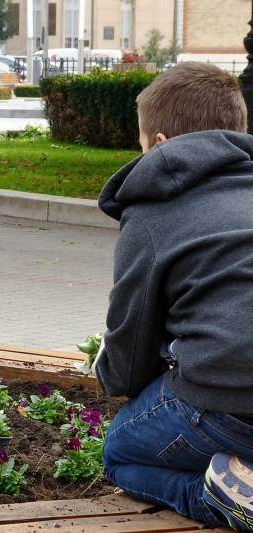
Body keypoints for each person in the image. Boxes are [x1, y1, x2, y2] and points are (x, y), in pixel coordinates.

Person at [95, 61, 253, 532]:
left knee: (118, 455)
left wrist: (109, 374)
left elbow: (128, 356)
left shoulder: (151, 213)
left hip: (227, 407)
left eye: (141, 145)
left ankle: (219, 499)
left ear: (160, 144)